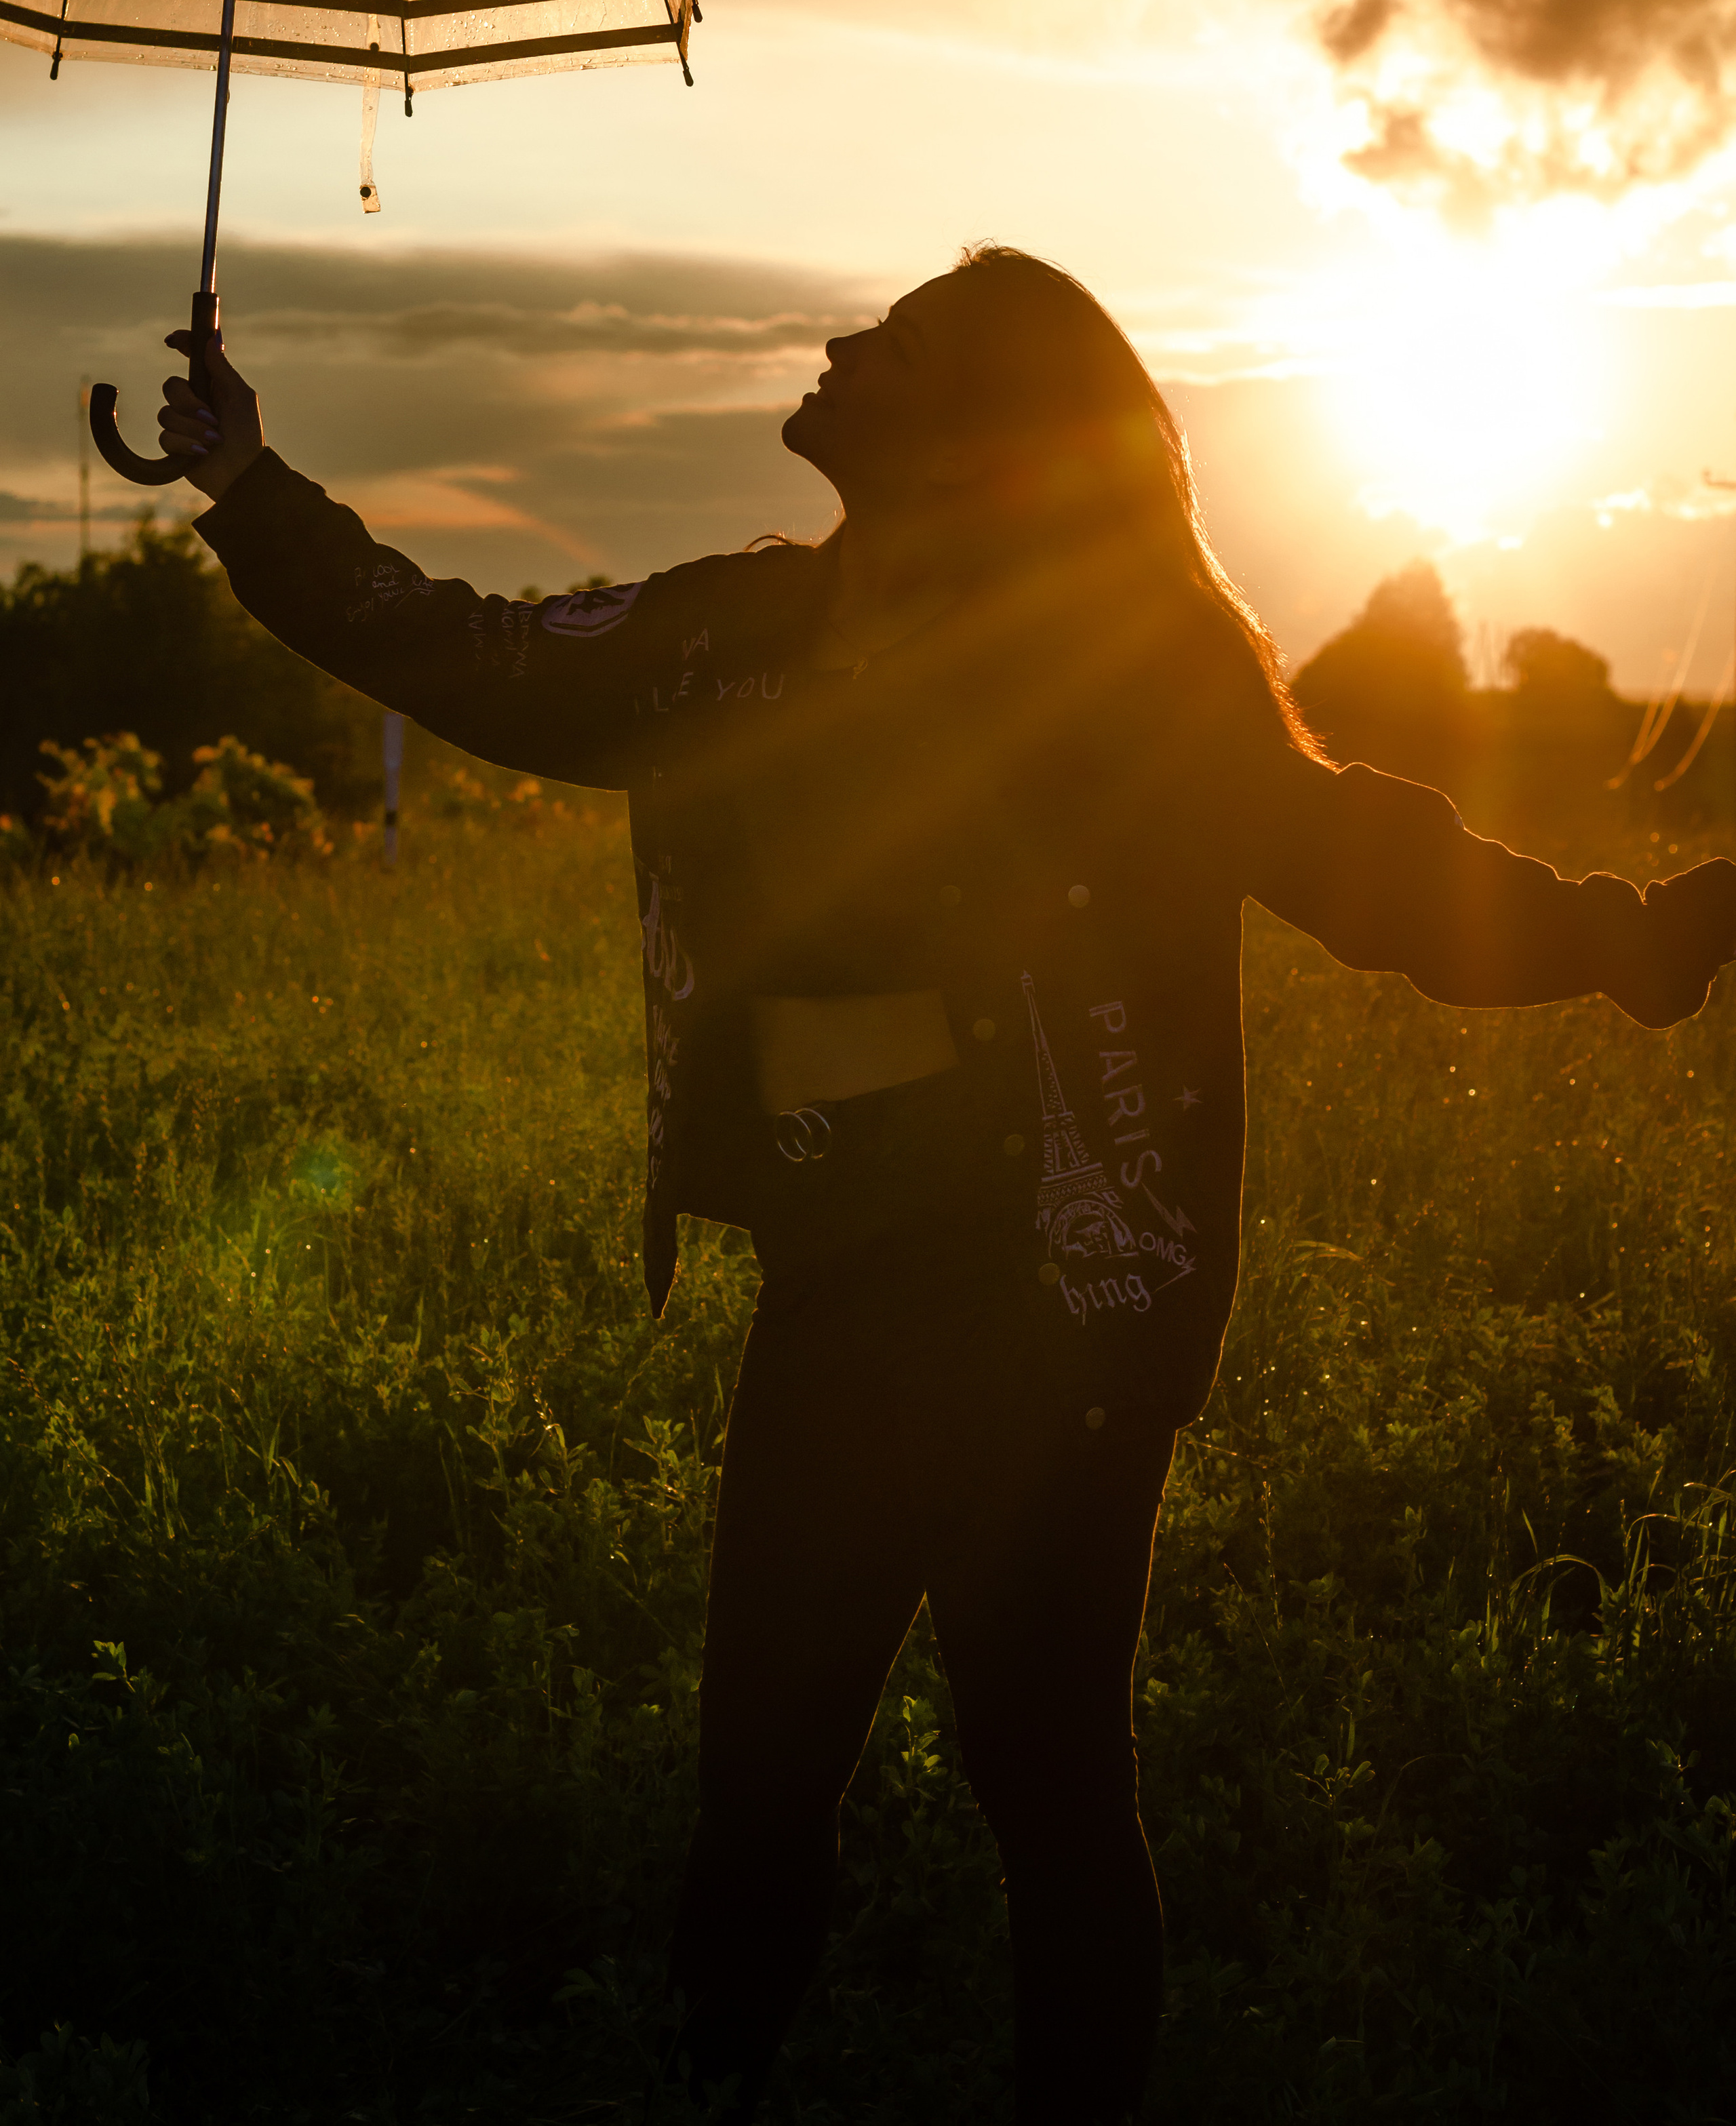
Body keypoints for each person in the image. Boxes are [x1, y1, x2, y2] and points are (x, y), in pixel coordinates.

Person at [159, 245, 1736, 2125]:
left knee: (1050, 1777)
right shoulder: (733, 626)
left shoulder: (1118, 675)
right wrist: (251, 488)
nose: (837, 345)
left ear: (980, 429)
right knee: (757, 1780)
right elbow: (474, 649)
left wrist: (1645, 935)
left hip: (1063, 1293)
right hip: (845, 1272)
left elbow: (1362, 859)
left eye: (893, 342)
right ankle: (714, 2077)